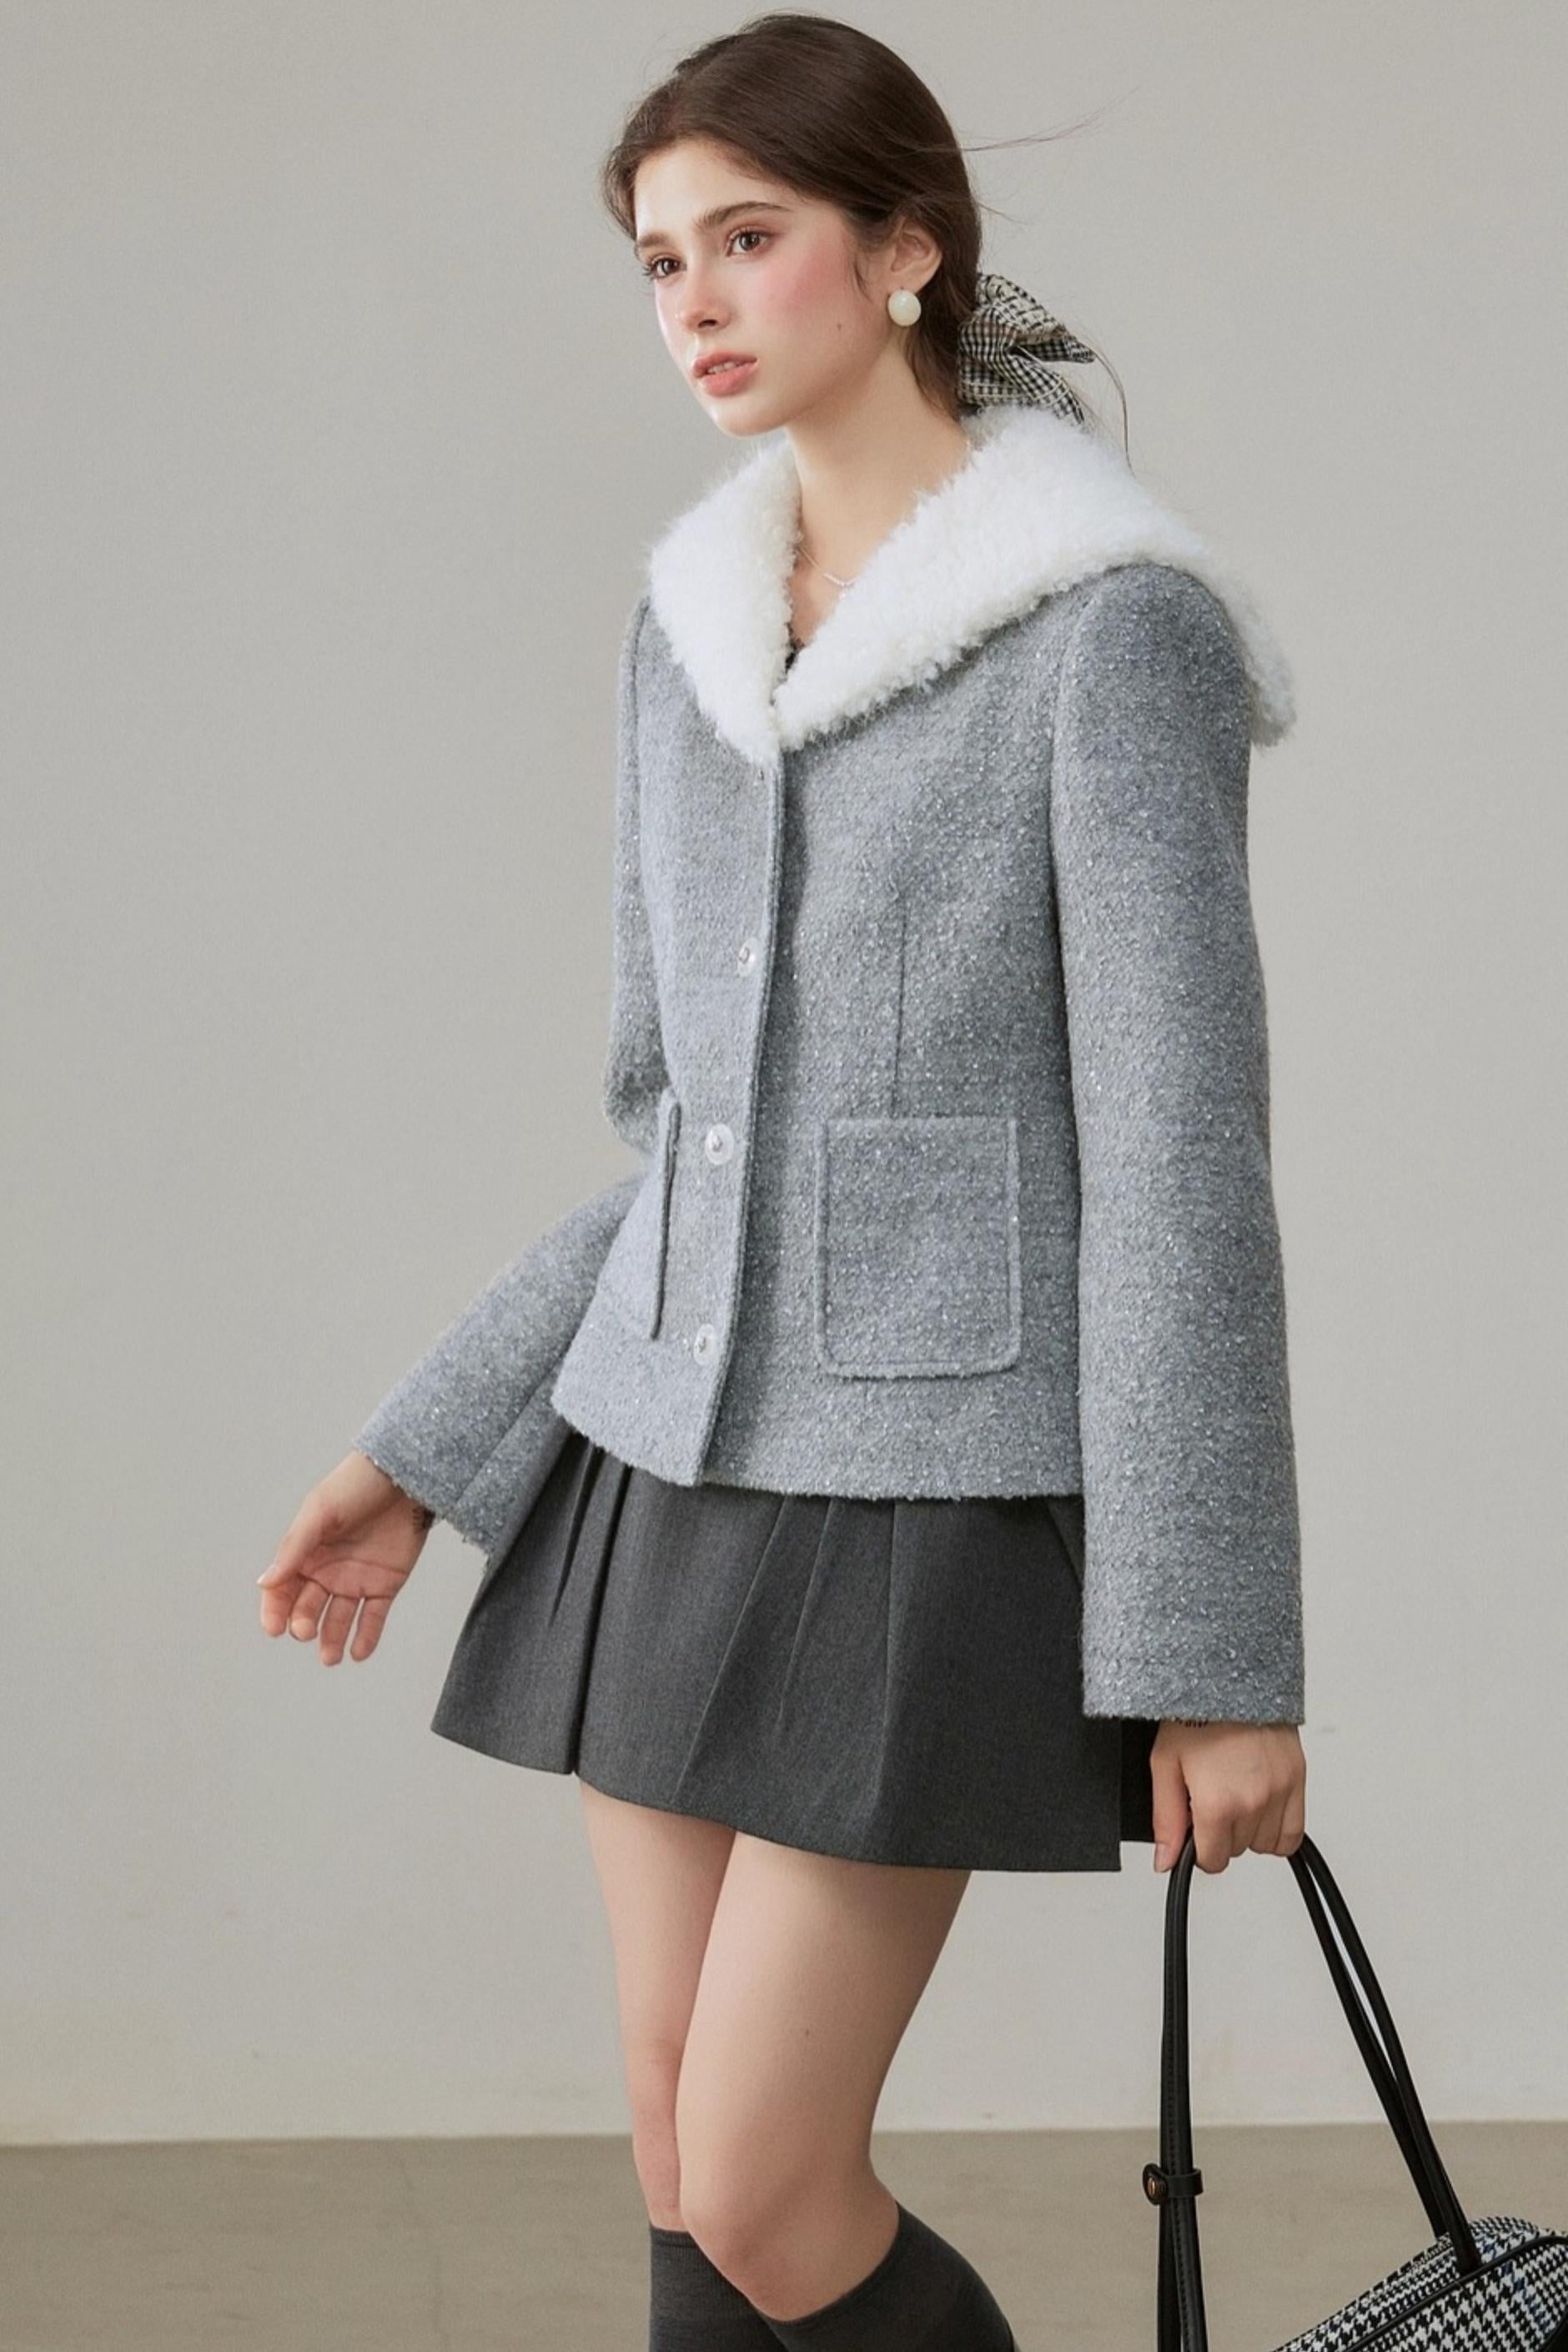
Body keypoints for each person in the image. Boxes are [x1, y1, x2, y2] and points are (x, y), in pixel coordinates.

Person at [257, 15, 1308, 2346]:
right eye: (662, 260)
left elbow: (1179, 1167)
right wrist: (422, 1453)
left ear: (904, 249)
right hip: (661, 1472)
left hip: (921, 1507)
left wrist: (1217, 1661)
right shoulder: (691, 635)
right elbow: (680, 1138)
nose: (698, 302)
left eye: (750, 238)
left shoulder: (1109, 633)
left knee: (760, 2174)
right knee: (681, 2160)